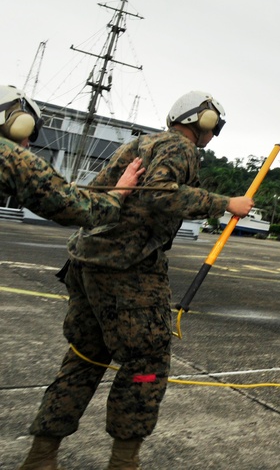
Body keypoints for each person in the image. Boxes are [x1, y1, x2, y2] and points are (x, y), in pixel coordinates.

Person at [19, 91, 254, 470]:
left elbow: (103, 193)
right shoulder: (180, 147)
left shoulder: (137, 145)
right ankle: (124, 462)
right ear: (204, 121)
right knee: (146, 365)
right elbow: (161, 194)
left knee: (84, 358)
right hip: (126, 271)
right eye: (216, 126)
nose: (214, 134)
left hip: (86, 262)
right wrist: (225, 203)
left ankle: (41, 456)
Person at [1, 85, 144, 227]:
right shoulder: (14, 157)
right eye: (31, 134)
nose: (27, 145)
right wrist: (119, 192)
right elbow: (78, 209)